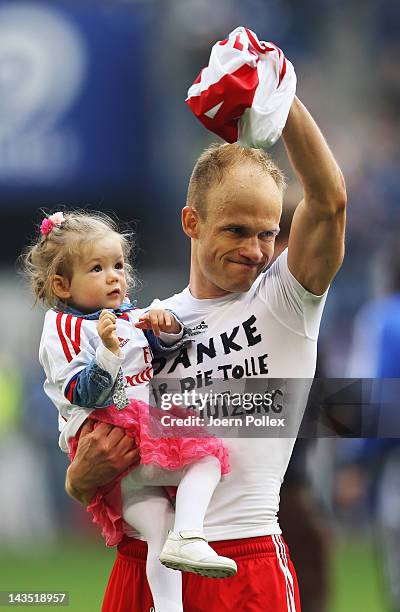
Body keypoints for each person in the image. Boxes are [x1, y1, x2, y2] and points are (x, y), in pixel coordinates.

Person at [23, 210, 236, 612]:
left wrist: (166, 328)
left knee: (159, 529)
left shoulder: (128, 317)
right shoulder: (64, 328)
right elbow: (84, 393)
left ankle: (168, 605)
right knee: (207, 457)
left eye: (119, 265)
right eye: (97, 268)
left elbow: (163, 355)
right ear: (61, 284)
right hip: (112, 434)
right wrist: (107, 351)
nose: (113, 276)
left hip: (133, 445)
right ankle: (192, 535)